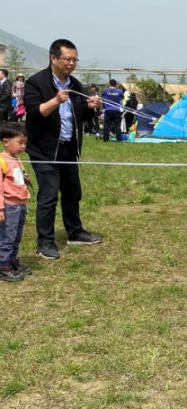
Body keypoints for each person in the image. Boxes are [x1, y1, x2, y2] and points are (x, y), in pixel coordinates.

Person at [23, 38, 103, 260]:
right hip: (44, 149)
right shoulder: (36, 83)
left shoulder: (75, 85)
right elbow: (35, 112)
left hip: (68, 148)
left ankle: (75, 232)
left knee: (72, 192)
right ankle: (45, 242)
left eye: (74, 59)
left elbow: (81, 116)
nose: (71, 63)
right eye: (67, 59)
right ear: (54, 58)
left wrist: (91, 108)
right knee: (48, 195)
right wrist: (56, 100)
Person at [0, 125, 31, 282]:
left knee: (16, 236)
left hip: (20, 204)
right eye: (20, 143)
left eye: (25, 143)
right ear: (6, 141)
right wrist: (0, 208)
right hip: (9, 206)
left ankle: (12, 262)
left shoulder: (16, 159)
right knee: (7, 237)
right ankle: (3, 266)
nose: (23, 147)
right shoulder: (2, 160)